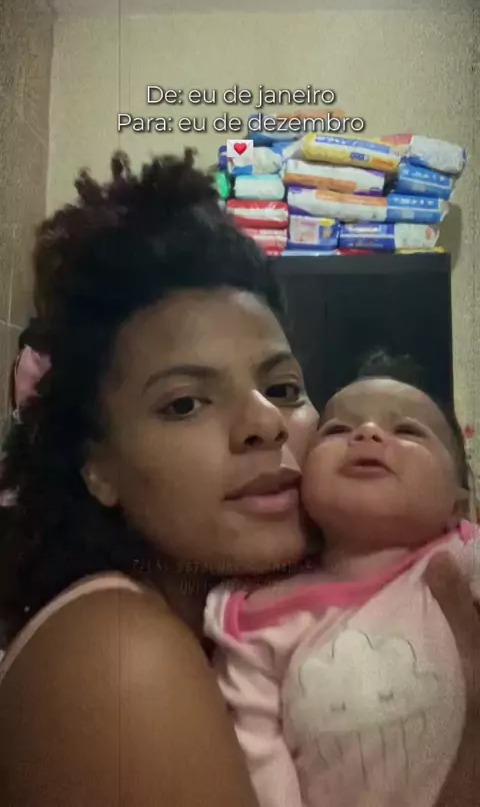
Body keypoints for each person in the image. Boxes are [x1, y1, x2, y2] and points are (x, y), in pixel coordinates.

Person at [0, 151, 477, 807]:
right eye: (185, 404)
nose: (265, 423)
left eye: (283, 388)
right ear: (98, 466)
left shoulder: (241, 627)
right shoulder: (120, 660)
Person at [205, 356, 478, 807]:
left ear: (459, 503)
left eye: (408, 431)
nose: (366, 433)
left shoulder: (464, 558)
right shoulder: (257, 618)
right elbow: (257, 759)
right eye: (336, 430)